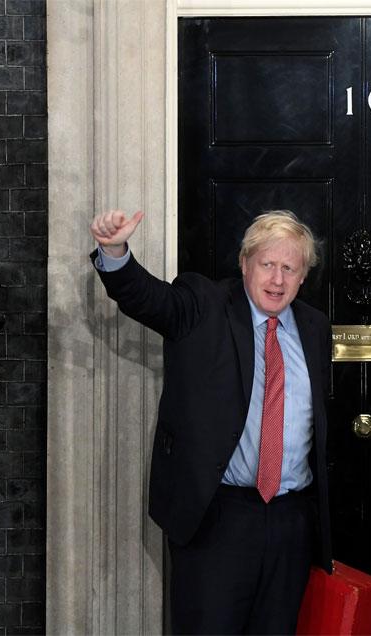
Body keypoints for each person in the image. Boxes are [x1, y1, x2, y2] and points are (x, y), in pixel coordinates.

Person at [89, 208, 332, 635]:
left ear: (303, 277)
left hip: (291, 520)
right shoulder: (203, 305)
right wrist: (115, 251)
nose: (277, 279)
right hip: (218, 515)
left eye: (289, 268)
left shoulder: (314, 326)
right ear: (245, 264)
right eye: (268, 265)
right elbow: (148, 298)